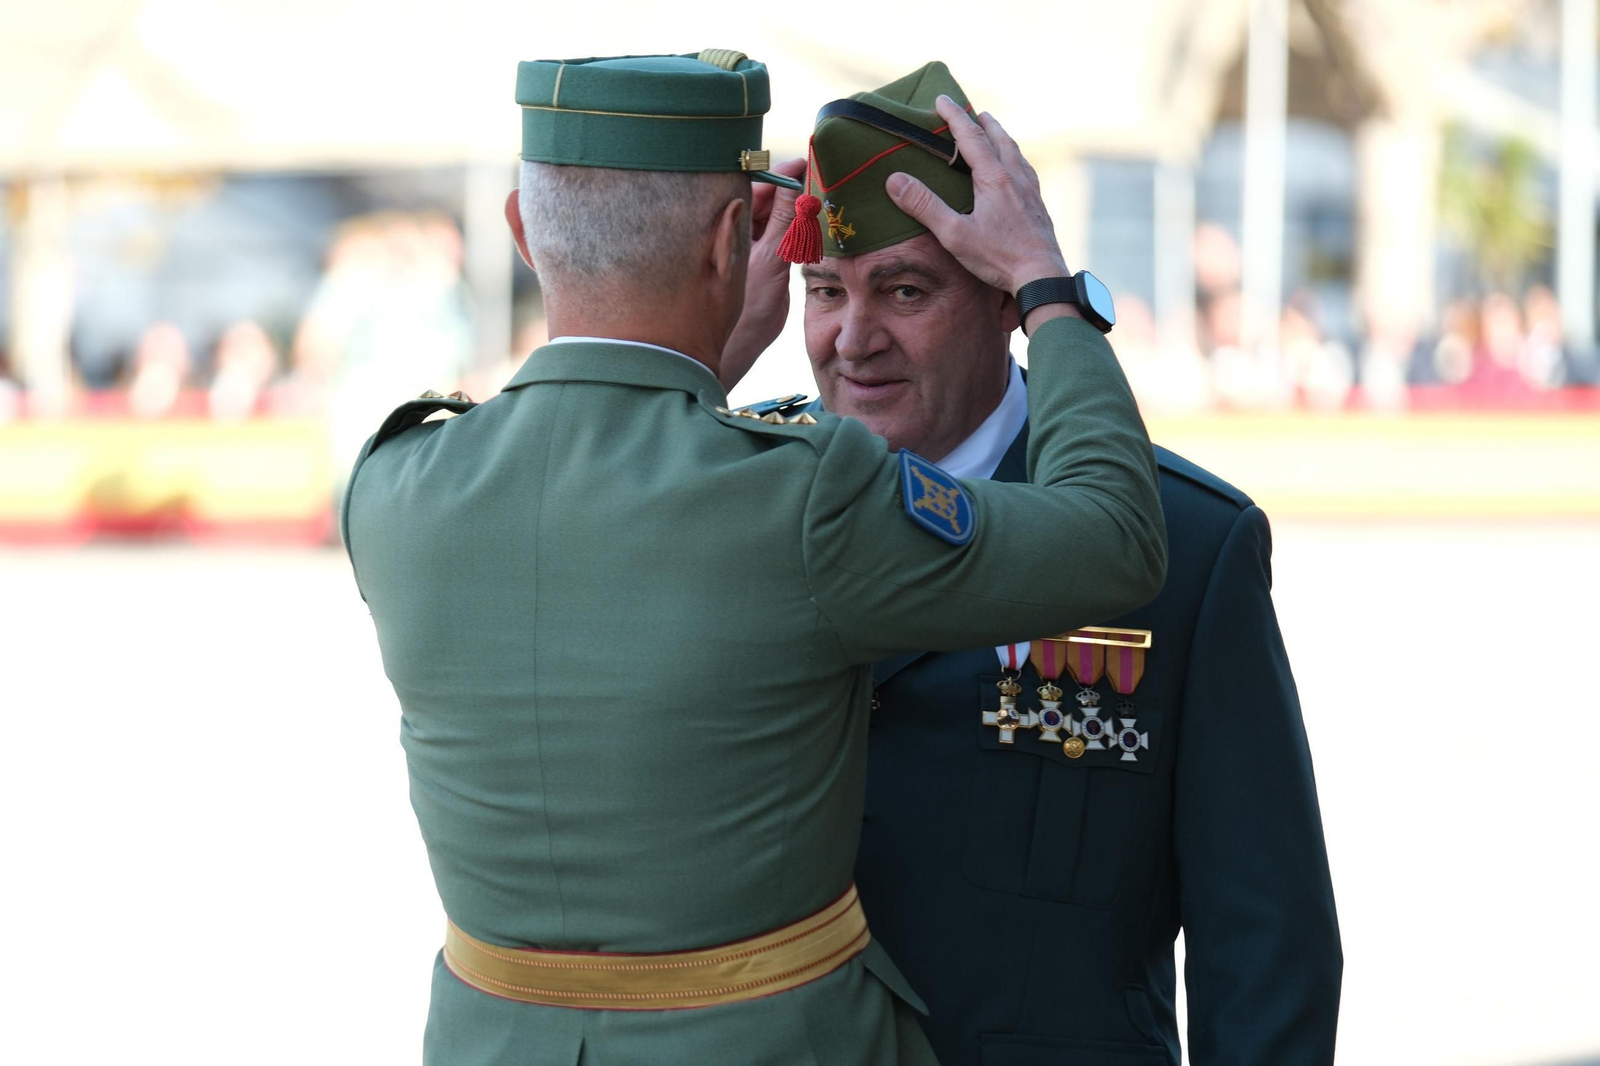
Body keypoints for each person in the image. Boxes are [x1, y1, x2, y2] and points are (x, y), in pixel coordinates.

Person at [340, 50, 1167, 1066]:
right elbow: (1115, 534)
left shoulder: (394, 485)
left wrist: (690, 364)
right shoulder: (803, 495)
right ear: (739, 238)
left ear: (521, 230)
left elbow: (608, 489)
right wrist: (1045, 285)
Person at [765, 61, 1343, 1065]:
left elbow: (1264, 944)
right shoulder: (741, 503)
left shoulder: (1184, 546)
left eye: (903, 290)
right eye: (825, 290)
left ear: (1005, 302)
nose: (853, 340)